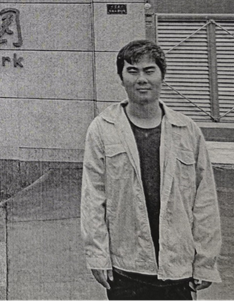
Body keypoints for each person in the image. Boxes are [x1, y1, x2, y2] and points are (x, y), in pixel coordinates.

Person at [80, 39, 222, 300]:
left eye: (149, 70)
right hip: (126, 266)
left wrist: (205, 261)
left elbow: (205, 200)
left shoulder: (187, 131)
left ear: (162, 76)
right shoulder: (102, 129)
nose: (141, 79)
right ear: (121, 78)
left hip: (178, 266)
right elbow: (93, 198)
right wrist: (97, 255)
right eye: (132, 71)